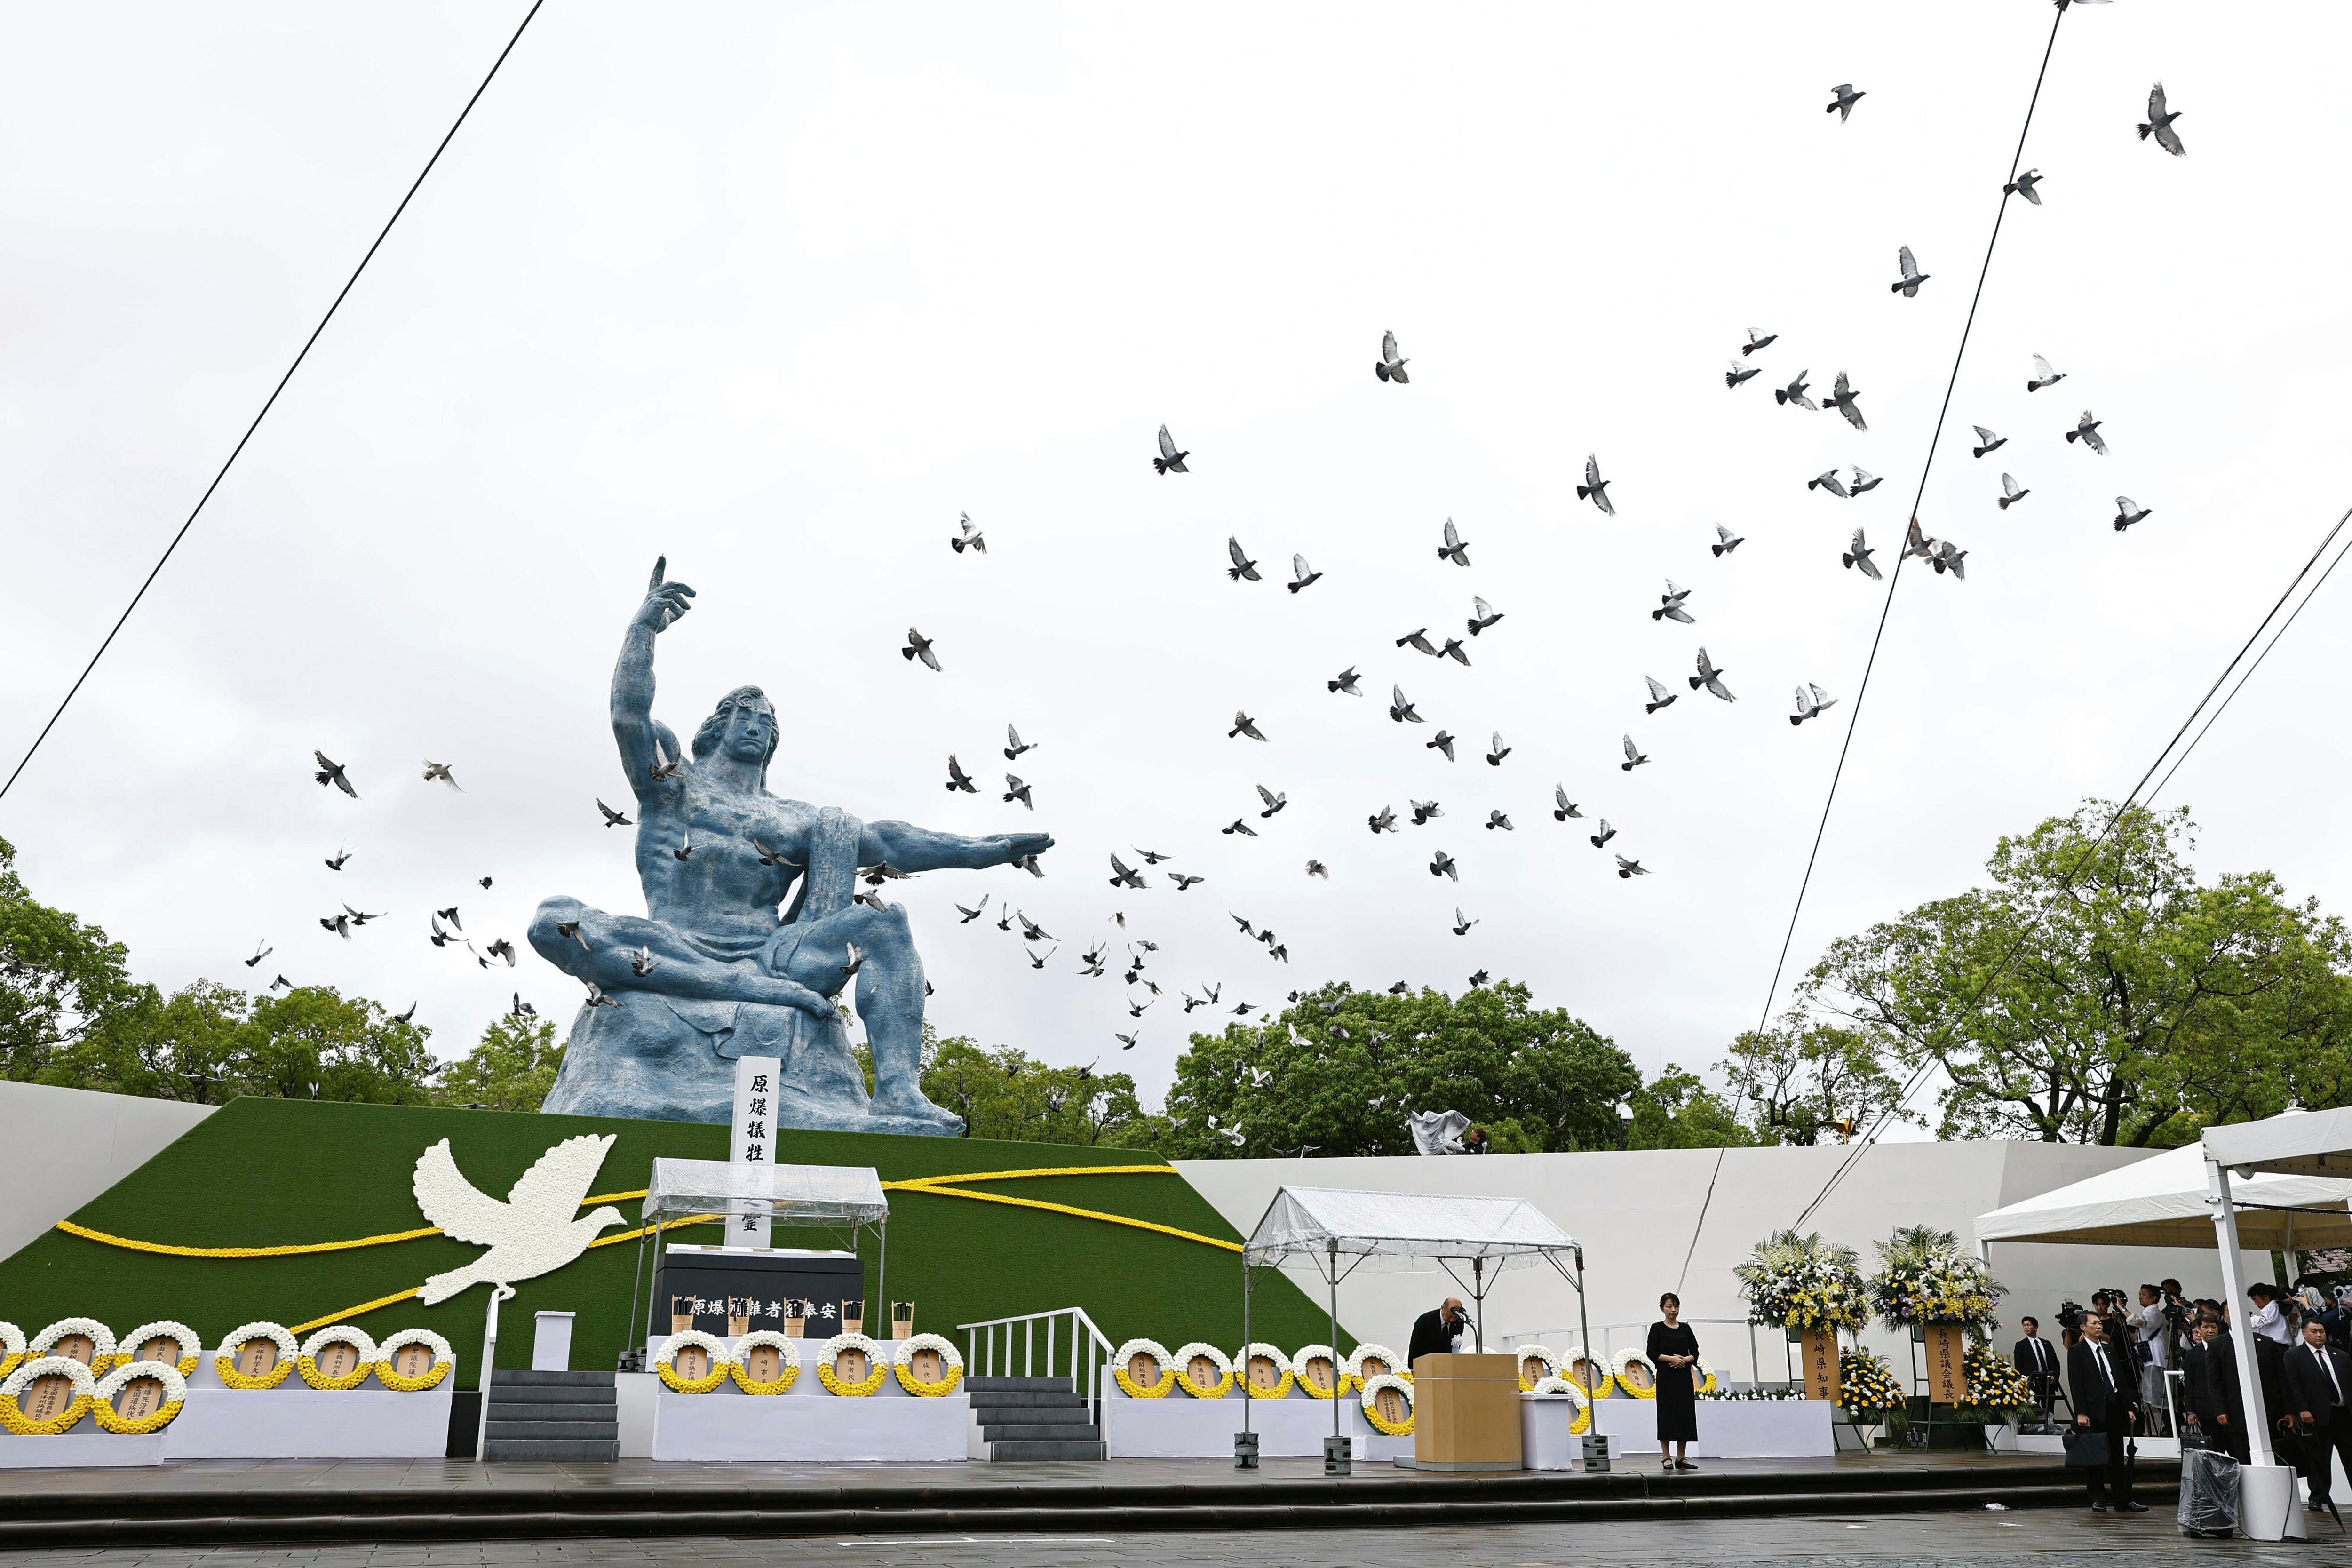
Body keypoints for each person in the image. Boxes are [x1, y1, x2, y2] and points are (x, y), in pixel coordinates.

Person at [2067, 1310, 2145, 1513]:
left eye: (2100, 1323)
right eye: (2094, 1323)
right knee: (2095, 1457)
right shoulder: (2077, 1351)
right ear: (2083, 1327)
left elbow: (2120, 1380)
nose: (2099, 1326)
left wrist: (2129, 1407)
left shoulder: (2110, 1350)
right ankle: (2097, 1498)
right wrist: (2081, 1412)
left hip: (2114, 1407)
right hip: (2093, 1411)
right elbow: (2076, 1384)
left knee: (2118, 1456)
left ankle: (2123, 1499)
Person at [2286, 1316, 2352, 1519]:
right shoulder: (2295, 1356)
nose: (2319, 1335)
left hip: (2343, 1414)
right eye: (2314, 1332)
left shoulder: (2340, 1356)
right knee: (2319, 1458)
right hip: (2316, 1415)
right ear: (2304, 1333)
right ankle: (2318, 1497)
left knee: (2350, 1456)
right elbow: (2293, 1385)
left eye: (2321, 1331)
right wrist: (2302, 1410)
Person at [2183, 1314, 2249, 1463]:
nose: (2211, 1331)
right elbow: (2190, 1384)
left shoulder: (2230, 1347)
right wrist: (2191, 1410)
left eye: (2213, 1327)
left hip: (2231, 1408)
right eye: (2206, 1327)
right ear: (2199, 1330)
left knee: (2238, 1451)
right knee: (2214, 1451)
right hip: (2207, 1410)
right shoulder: (2192, 1354)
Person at [1648, 1291, 1701, 1472]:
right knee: (1666, 1415)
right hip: (1666, 1378)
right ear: (1662, 1308)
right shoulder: (1657, 1329)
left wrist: (1685, 1360)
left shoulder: (1686, 1329)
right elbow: (1652, 1353)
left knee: (1684, 1415)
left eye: (1676, 1306)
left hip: (1683, 1378)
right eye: (1669, 1306)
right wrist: (1671, 1359)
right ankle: (1666, 1457)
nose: (1673, 1310)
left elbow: (1695, 1352)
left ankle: (1681, 1457)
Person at [2013, 1317, 2061, 1425]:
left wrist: (2055, 1376)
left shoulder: (2046, 1344)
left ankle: (2050, 1429)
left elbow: (2055, 1363)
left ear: (2036, 1327)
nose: (2026, 1327)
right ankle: (2036, 1430)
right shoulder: (2021, 1346)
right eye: (2024, 1325)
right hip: (2032, 1383)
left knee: (2049, 1409)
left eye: (2029, 1325)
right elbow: (2019, 1367)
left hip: (2048, 1382)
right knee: (2034, 1410)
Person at [1407, 1298, 1468, 1369]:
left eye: (1455, 1318)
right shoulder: (1425, 1321)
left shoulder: (1459, 1322)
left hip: (1447, 1366)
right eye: (1450, 1316)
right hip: (1426, 1364)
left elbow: (1455, 1346)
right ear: (1442, 1308)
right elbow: (1415, 1346)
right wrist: (1413, 1368)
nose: (1452, 1320)